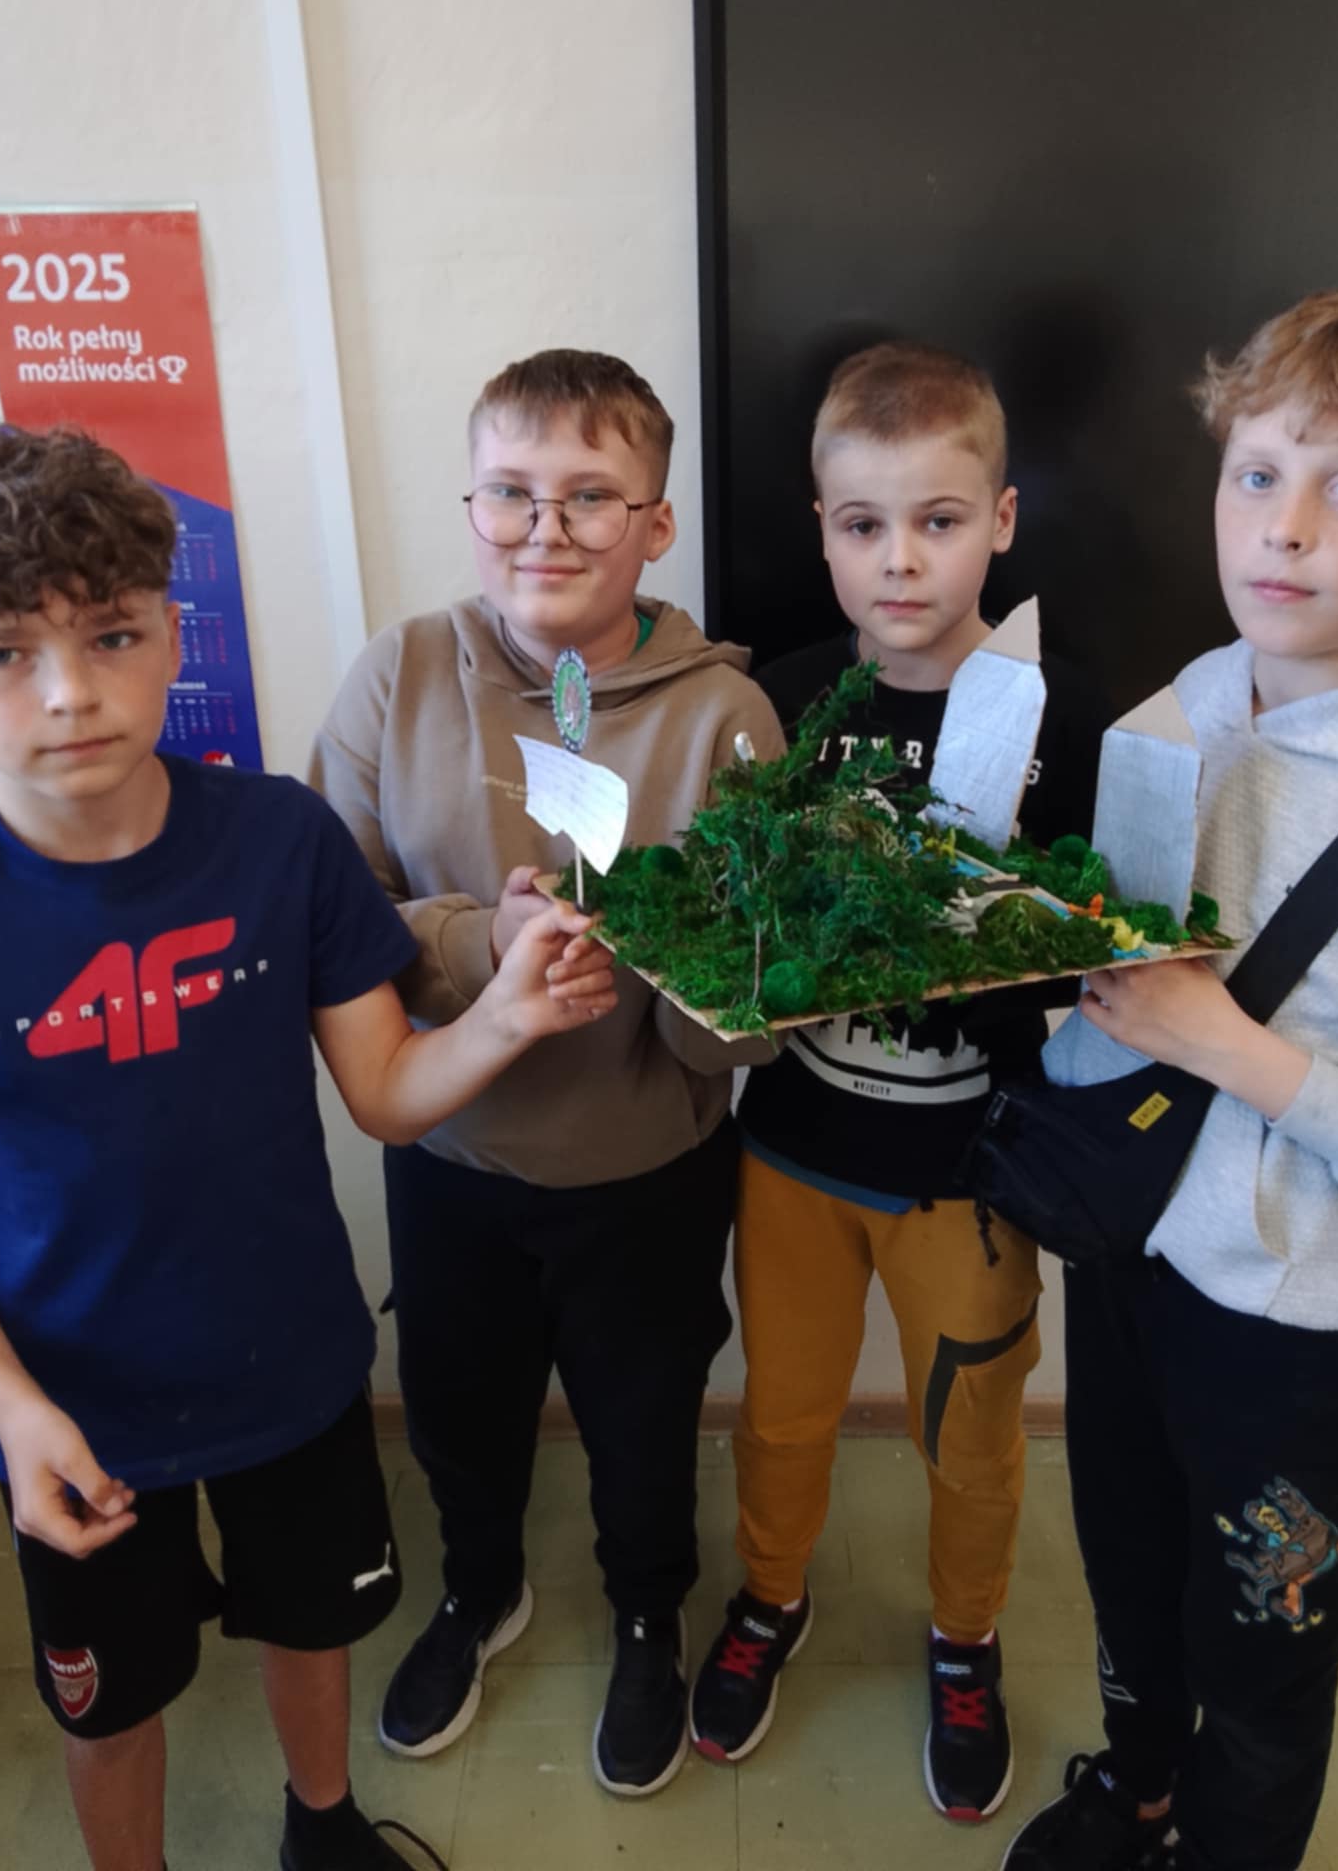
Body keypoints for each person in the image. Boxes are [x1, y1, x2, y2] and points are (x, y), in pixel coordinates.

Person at [0, 424, 613, 1871]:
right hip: (73, 1410)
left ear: (175, 636)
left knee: (314, 1624)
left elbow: (388, 1092)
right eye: (4, 654)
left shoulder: (281, 841)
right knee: (112, 1706)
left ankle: (324, 1825)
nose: (70, 692)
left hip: (293, 1367)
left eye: (112, 635)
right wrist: (9, 1411)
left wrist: (506, 1016)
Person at [1002, 286, 1338, 1871]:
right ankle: (1139, 1789)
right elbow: (1119, 979)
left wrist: (1226, 1047)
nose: (1286, 527)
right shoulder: (1181, 702)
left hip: (1294, 1321)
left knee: (1264, 1640)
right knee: (1126, 1561)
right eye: (1257, 473)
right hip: (1131, 1250)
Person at [310, 348, 784, 1798]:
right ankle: (481, 1587)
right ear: (472, 505)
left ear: (656, 523)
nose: (545, 529)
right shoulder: (399, 674)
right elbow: (335, 911)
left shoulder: (727, 720)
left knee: (646, 1422)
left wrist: (680, 956)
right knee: (459, 1406)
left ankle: (647, 1610)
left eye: (590, 497)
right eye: (510, 493)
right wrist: (480, 944)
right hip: (450, 1155)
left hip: (647, 1171)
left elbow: (756, 1012)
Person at [687, 342, 1109, 1823]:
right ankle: (771, 1594)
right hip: (794, 1149)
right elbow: (727, 914)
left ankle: (965, 1638)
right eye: (864, 525)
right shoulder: (783, 703)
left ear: (1002, 519)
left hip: (973, 1171)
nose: (901, 559)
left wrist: (1014, 956)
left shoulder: (1069, 717)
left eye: (938, 520)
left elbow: (1116, 953)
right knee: (783, 1408)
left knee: (973, 1433)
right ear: (822, 530)